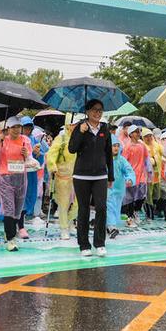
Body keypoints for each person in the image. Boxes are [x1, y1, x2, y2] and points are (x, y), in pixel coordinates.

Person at [68, 99, 114, 257]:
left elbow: (108, 154)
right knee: (84, 209)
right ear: (87, 111)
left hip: (100, 174)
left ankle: (100, 242)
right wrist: (80, 132)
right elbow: (72, 148)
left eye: (100, 110)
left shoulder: (105, 129)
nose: (98, 113)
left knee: (101, 207)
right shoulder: (80, 127)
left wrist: (111, 176)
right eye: (94, 110)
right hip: (81, 175)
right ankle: (84, 245)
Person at [0, 116, 37, 251]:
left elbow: (30, 161)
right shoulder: (3, 140)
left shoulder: (25, 140)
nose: (16, 130)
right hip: (5, 178)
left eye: (18, 127)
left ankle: (10, 231)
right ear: (8, 128)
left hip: (21, 178)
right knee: (9, 208)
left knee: (17, 209)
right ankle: (10, 239)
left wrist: (27, 155)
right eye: (13, 127)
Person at [46, 116, 79, 240]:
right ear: (68, 125)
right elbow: (51, 154)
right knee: (64, 204)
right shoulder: (61, 138)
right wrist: (52, 165)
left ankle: (70, 221)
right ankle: (64, 228)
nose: (75, 126)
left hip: (78, 175)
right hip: (63, 176)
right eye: (73, 124)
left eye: (77, 124)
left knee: (79, 203)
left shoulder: (80, 138)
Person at [107, 135, 135, 239]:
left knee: (116, 208)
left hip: (119, 190)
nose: (116, 148)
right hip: (107, 188)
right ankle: (112, 227)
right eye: (113, 146)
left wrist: (130, 179)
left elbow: (129, 170)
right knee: (109, 206)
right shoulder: (104, 159)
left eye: (117, 146)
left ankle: (109, 226)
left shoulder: (121, 160)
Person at [122, 125, 151, 226]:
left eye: (139, 132)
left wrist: (149, 171)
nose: (138, 134)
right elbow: (123, 162)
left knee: (142, 196)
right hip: (131, 175)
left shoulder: (142, 145)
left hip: (141, 175)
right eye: (136, 132)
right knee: (130, 198)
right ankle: (129, 218)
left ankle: (135, 212)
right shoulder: (127, 147)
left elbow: (147, 159)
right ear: (130, 134)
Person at [143, 128, 165, 220]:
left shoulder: (157, 145)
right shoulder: (142, 146)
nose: (149, 138)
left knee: (157, 195)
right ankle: (149, 214)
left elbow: (164, 153)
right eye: (146, 136)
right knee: (148, 196)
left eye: (150, 136)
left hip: (157, 174)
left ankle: (155, 209)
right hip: (147, 176)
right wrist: (151, 160)